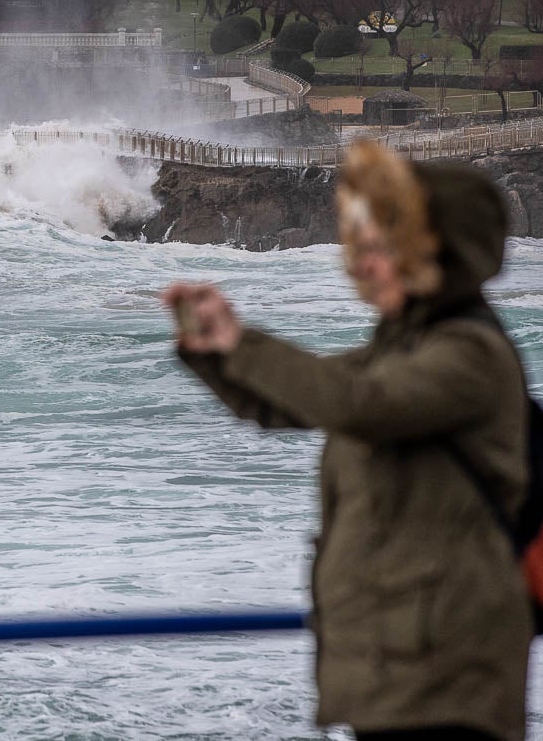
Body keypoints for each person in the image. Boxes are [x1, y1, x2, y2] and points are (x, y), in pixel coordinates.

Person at [164, 140, 530, 741]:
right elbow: (287, 404)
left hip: (448, 674)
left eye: (382, 249)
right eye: (361, 247)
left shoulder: (470, 354)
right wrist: (212, 354)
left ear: (442, 252)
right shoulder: (403, 344)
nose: (363, 264)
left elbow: (354, 404)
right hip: (401, 661)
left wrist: (241, 344)